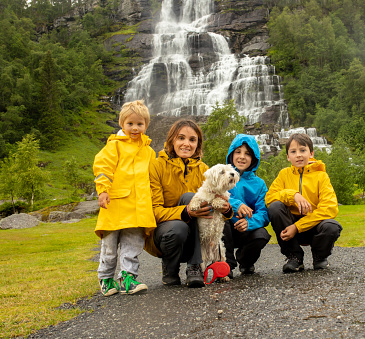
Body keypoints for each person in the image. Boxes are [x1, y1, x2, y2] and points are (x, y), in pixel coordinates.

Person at [144, 119, 233, 288]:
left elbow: (219, 205)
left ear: (198, 144)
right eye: (181, 138)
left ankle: (195, 267)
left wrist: (227, 210)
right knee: (183, 217)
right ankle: (170, 269)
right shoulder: (156, 166)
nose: (186, 144)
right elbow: (154, 211)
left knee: (192, 199)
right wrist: (185, 212)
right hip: (165, 232)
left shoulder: (204, 170)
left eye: (192, 140)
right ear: (172, 140)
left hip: (196, 235)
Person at [93, 100, 156, 296]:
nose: (135, 128)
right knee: (110, 247)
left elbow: (153, 178)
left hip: (139, 208)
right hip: (116, 204)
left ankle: (127, 279)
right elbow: (103, 167)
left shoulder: (149, 151)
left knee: (133, 246)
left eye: (139, 124)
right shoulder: (114, 146)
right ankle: (105, 278)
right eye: (130, 124)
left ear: (146, 125)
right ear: (122, 124)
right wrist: (103, 190)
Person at [265, 133, 342, 273]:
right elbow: (269, 198)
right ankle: (294, 257)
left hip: (313, 227)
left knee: (332, 226)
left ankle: (319, 257)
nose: (298, 155)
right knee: (275, 207)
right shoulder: (284, 174)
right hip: (289, 229)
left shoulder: (321, 176)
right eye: (293, 152)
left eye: (302, 150)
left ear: (311, 153)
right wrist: (293, 195)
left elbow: (330, 208)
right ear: (288, 156)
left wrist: (297, 227)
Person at [223, 134, 271, 276]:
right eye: (238, 152)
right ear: (231, 154)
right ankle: (226, 265)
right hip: (226, 228)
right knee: (219, 222)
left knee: (262, 234)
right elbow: (213, 197)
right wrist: (236, 205)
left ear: (254, 158)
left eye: (247, 153)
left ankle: (246, 261)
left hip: (246, 228)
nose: (242, 157)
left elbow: (263, 213)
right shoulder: (222, 175)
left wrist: (249, 223)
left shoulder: (260, 184)